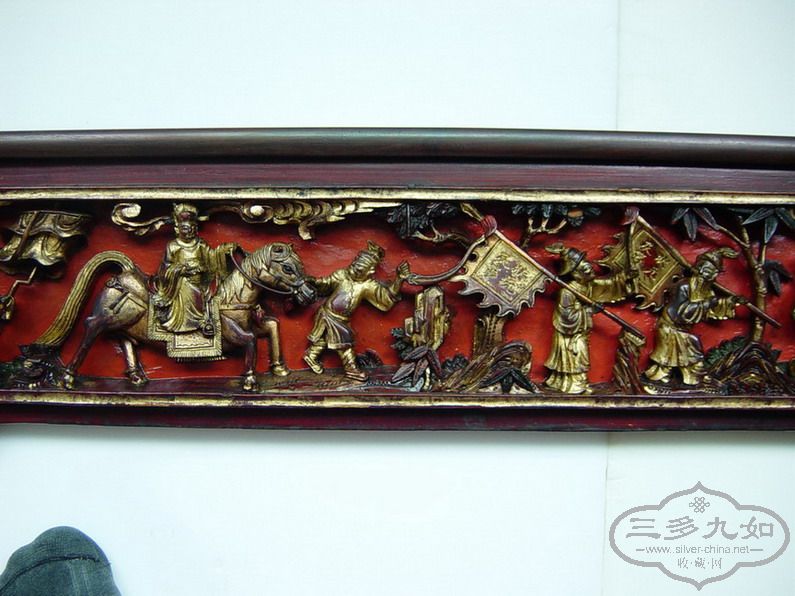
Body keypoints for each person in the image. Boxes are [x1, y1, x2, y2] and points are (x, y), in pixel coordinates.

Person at [304, 241, 410, 381]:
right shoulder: (342, 275)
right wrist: (314, 281)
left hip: (341, 319)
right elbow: (326, 283)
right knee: (344, 345)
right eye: (353, 266)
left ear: (370, 272)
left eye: (359, 270)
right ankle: (351, 370)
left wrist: (399, 280)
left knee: (328, 339)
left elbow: (385, 298)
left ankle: (311, 355)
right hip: (328, 314)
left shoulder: (367, 285)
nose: (353, 271)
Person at [544, 243, 634, 394]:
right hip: (569, 335)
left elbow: (608, 285)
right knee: (577, 356)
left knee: (580, 357)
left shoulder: (588, 285)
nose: (590, 270)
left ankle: (578, 382)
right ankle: (573, 384)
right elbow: (566, 317)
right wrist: (588, 310)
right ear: (576, 273)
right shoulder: (567, 292)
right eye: (585, 269)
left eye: (589, 267)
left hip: (581, 332)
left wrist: (625, 278)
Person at [645, 247, 742, 386]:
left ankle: (694, 378)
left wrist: (730, 302)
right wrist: (707, 303)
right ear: (700, 268)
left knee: (692, 354)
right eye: (708, 270)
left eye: (714, 272)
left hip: (684, 329)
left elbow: (712, 309)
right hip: (670, 326)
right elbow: (679, 312)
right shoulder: (683, 286)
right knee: (669, 359)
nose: (710, 275)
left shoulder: (706, 291)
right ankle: (660, 378)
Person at [152, 203, 235, 336]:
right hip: (182, 282)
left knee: (207, 294)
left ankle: (203, 320)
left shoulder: (200, 244)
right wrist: (181, 270)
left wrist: (223, 250)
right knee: (193, 292)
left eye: (192, 228)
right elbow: (166, 268)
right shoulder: (173, 246)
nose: (189, 231)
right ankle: (193, 322)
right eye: (185, 228)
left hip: (200, 280)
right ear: (177, 229)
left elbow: (211, 258)